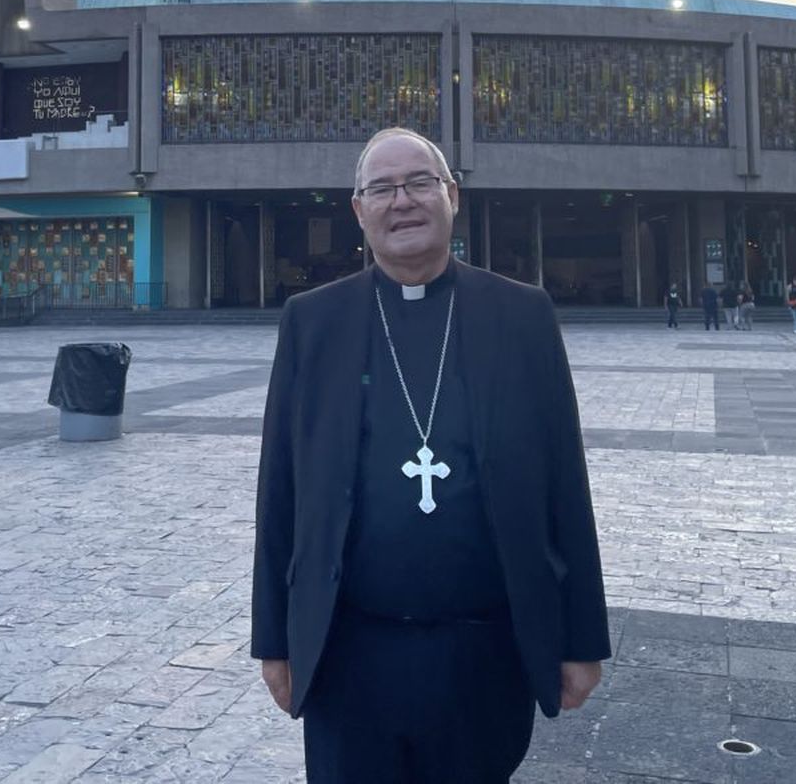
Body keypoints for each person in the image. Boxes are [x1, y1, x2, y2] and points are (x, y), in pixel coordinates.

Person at [253, 128, 609, 782]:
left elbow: (565, 482)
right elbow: (280, 491)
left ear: (452, 196)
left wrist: (582, 639)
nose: (402, 201)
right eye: (381, 189)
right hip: (348, 654)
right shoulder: (313, 323)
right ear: (358, 212)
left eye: (419, 182)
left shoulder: (521, 316)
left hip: (484, 652)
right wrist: (274, 642)